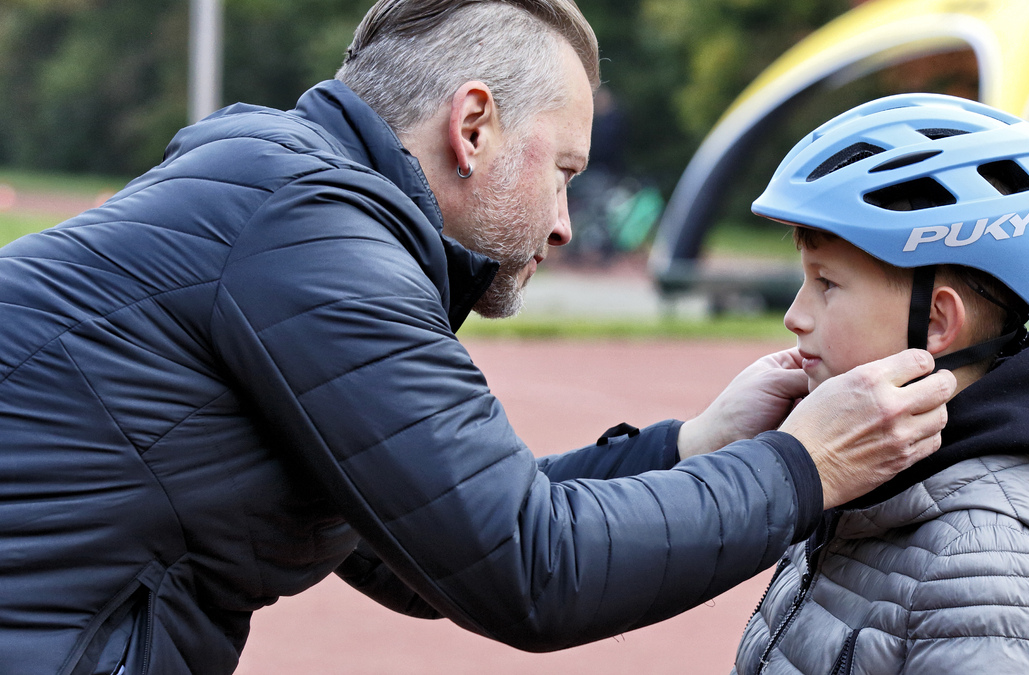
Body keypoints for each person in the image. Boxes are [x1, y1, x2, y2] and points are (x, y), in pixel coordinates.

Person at [0, 2, 957, 673]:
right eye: (564, 169)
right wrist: (806, 467)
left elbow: (435, 545)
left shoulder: (281, 202)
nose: (566, 223)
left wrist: (696, 446)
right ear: (474, 124)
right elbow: (528, 569)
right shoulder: (309, 233)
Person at [734, 93, 1029, 675]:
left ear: (938, 322)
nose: (796, 315)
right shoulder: (868, 467)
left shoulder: (987, 560)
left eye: (827, 284)